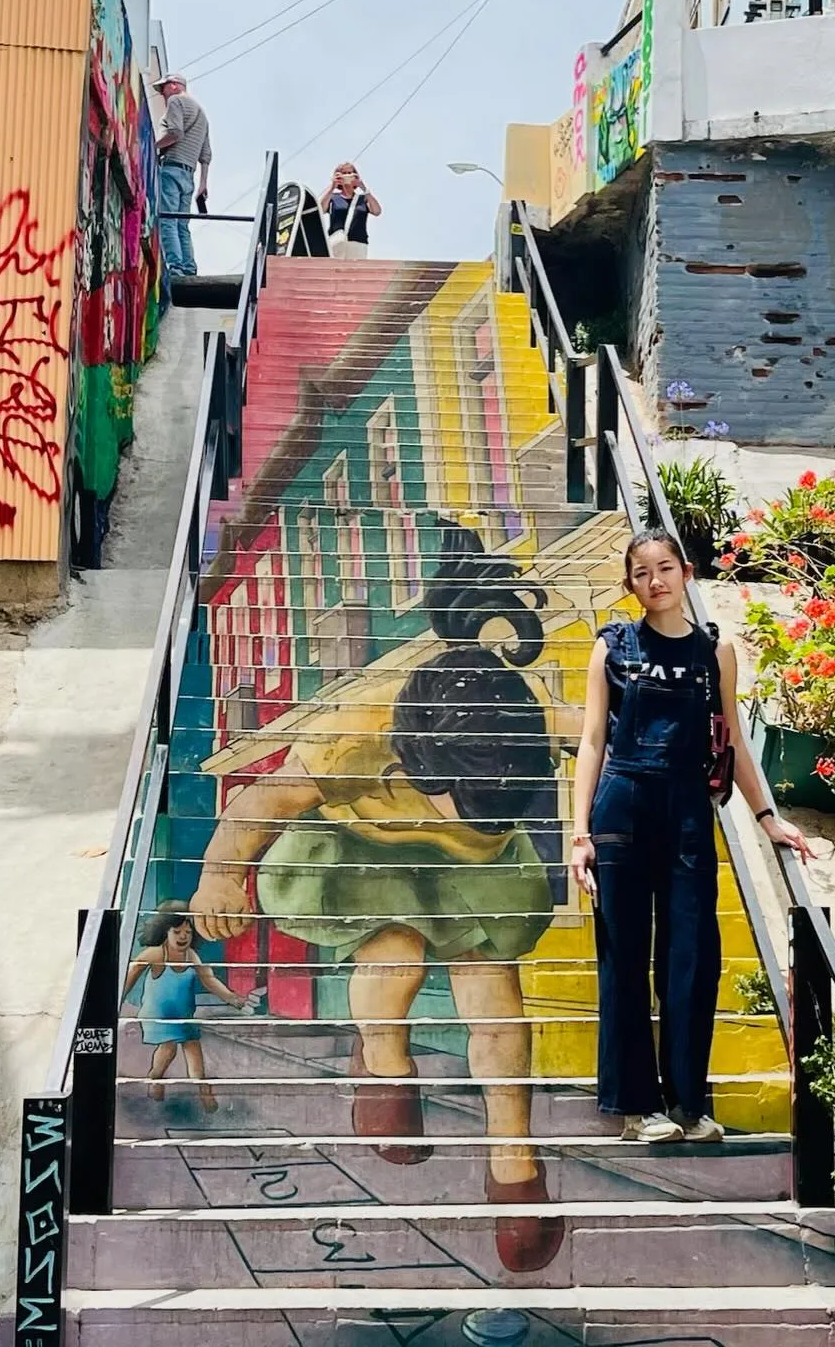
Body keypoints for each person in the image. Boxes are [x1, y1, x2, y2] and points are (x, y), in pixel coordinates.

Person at [189, 526, 564, 1274]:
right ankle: (385, 1063)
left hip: (473, 871)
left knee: (490, 982)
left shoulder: (520, 731)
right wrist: (220, 875)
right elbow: (263, 799)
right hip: (361, 843)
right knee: (393, 952)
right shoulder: (354, 734)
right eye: (461, 800)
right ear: (419, 762)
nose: (469, 812)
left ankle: (514, 1163)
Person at [569, 528, 812, 1145]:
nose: (656, 580)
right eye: (642, 572)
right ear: (630, 584)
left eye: (665, 567)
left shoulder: (714, 650)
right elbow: (593, 741)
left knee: (692, 957)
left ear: (687, 572)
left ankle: (686, 1105)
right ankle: (636, 1107)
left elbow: (732, 740)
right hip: (621, 806)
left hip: (687, 813)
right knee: (624, 957)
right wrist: (580, 834)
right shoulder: (612, 647)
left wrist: (767, 818)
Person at [123, 901, 250, 1112]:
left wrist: (231, 997)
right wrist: (117, 998)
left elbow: (208, 979)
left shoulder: (191, 956)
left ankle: (203, 1090)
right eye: (177, 931)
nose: (183, 936)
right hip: (159, 1015)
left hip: (185, 1014)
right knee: (168, 1049)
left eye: (188, 932)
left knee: (194, 1053)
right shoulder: (156, 954)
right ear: (164, 931)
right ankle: (156, 1078)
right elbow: (132, 974)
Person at [154, 73, 211, 278]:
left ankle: (175, 267)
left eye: (164, 88)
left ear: (176, 86)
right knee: (182, 224)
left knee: (168, 220)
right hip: (190, 176)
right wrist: (203, 185)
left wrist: (153, 146)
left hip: (171, 168)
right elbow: (206, 155)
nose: (163, 94)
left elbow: (176, 132)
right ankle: (189, 267)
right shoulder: (202, 114)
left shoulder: (176, 101)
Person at [319, 162, 381, 259]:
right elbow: (321, 209)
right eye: (344, 173)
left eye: (350, 173)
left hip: (358, 243)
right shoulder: (333, 198)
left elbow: (377, 211)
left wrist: (363, 188)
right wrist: (332, 187)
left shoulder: (363, 199)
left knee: (356, 272)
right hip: (336, 242)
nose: (347, 175)